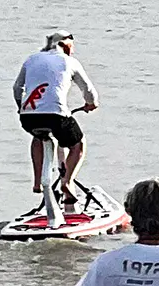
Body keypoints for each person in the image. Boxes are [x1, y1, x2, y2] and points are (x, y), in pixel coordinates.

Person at [12, 30, 98, 207]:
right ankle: (67, 181)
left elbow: (16, 87)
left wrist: (22, 106)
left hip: (28, 117)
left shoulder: (31, 59)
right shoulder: (70, 62)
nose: (72, 51)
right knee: (77, 144)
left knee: (38, 136)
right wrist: (91, 104)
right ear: (66, 46)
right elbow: (88, 90)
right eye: (71, 47)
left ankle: (37, 182)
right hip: (56, 115)